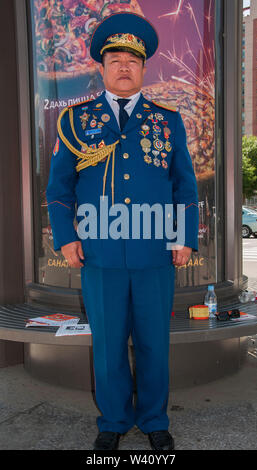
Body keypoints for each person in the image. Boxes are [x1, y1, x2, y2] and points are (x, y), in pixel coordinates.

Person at [46, 12, 199, 451]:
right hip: (100, 254)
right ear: (101, 66)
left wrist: (184, 236)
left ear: (144, 67)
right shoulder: (76, 122)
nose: (124, 66)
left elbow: (184, 187)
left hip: (154, 255)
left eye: (132, 59)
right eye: (115, 58)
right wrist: (67, 237)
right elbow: (59, 190)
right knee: (109, 345)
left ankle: (153, 419)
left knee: (153, 343)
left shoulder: (166, 120)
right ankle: (112, 420)